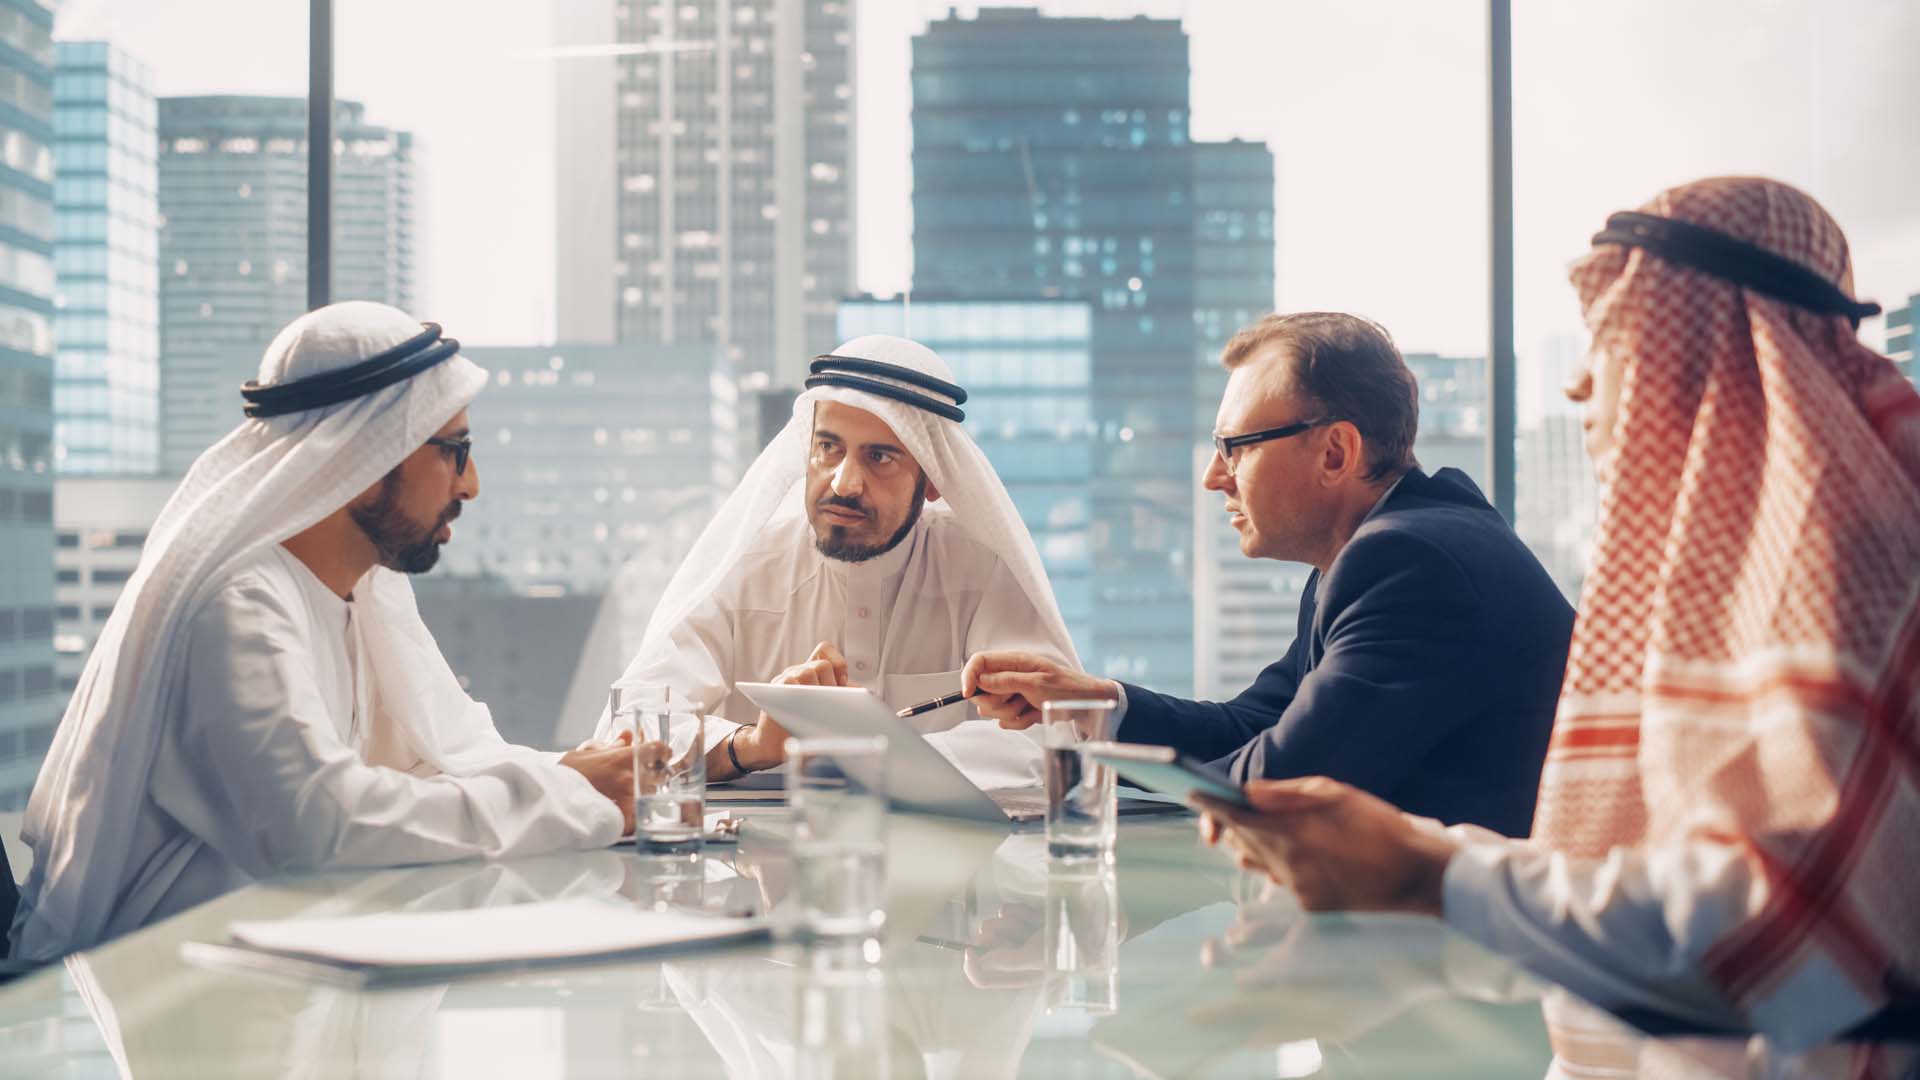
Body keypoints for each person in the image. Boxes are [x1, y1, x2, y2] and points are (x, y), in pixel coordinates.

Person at [1191, 177, 1920, 1051]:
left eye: (1621, 342)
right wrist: (1423, 893)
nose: (1577, 384)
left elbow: (1787, 955)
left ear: (1730, 360)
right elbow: (1647, 887)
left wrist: (1433, 878)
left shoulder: (1838, 564)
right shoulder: (1747, 571)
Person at [8, 302, 633, 963]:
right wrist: (572, 797)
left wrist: (583, 774)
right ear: (367, 455)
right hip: (167, 988)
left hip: (288, 966)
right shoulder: (237, 604)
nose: (470, 485)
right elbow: (322, 822)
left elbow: (432, 762)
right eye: (454, 451)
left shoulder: (364, 591)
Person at [965, 313, 1574, 835]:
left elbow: (1280, 781)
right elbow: (1255, 726)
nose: (1213, 476)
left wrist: (1091, 765)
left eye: (1237, 445)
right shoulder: (1382, 544)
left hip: (1477, 951)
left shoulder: (1409, 561)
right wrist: (1088, 703)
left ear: (1336, 453)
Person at [594, 335, 1078, 790]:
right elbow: (630, 727)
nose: (844, 483)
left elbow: (1050, 735)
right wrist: (752, 745)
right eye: (829, 448)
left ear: (933, 480)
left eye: (880, 457)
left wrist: (863, 757)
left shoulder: (980, 567)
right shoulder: (746, 566)